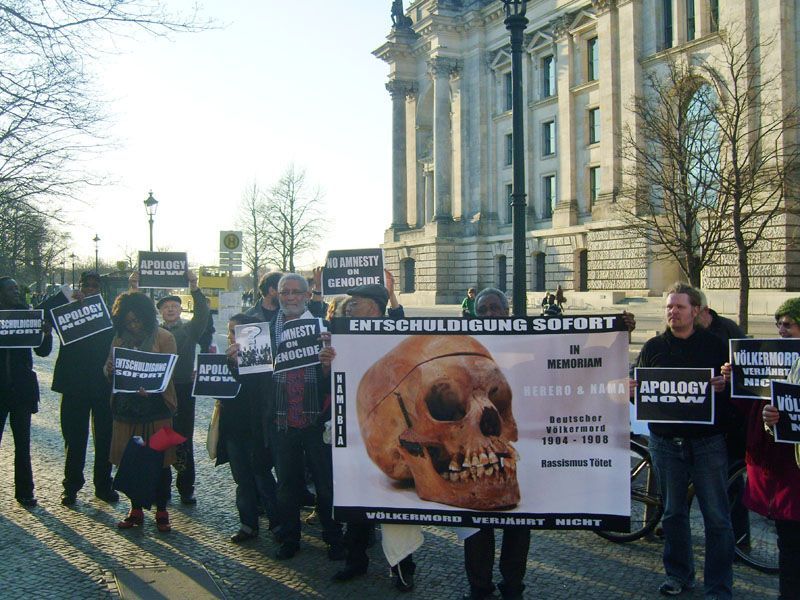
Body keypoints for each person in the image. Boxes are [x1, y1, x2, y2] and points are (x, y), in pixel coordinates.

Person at [634, 283, 732, 598]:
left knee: (716, 517)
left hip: (706, 443)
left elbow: (732, 396)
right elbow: (641, 394)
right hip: (665, 444)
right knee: (674, 513)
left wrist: (724, 385)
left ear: (695, 311)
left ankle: (718, 585)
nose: (673, 312)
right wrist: (633, 389)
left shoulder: (715, 346)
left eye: (680, 307)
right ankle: (679, 575)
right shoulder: (652, 347)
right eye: (669, 307)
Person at [239, 273, 343, 560]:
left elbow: (338, 380)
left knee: (325, 484)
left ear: (308, 295)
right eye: (286, 292)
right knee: (287, 485)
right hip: (281, 420)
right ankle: (290, 538)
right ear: (278, 295)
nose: (291, 297)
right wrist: (235, 360)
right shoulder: (263, 331)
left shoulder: (325, 330)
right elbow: (251, 381)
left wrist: (327, 366)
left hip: (316, 420)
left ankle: (333, 537)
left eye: (297, 292)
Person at [334, 282, 418, 592]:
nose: (350, 307)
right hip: (358, 430)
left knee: (397, 506)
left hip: (394, 429)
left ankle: (403, 567)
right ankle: (355, 561)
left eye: (356, 302)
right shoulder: (344, 334)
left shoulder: (395, 332)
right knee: (357, 498)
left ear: (373, 306)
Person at [722, 297, 800, 599]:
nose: (782, 329)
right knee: (790, 548)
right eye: (778, 323)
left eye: (789, 324)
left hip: (790, 469)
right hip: (779, 470)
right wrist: (734, 380)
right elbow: (751, 407)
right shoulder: (767, 359)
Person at [462, 287, 531, 600]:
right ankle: (479, 587)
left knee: (518, 524)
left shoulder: (528, 342)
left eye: (495, 308)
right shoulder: (464, 347)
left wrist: (618, 328)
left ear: (507, 311)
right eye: (483, 310)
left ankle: (513, 586)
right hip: (473, 449)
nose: (489, 314)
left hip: (515, 445)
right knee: (477, 526)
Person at [131, 270, 209, 504]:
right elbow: (133, 317)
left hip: (184, 388)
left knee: (183, 437)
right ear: (160, 312)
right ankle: (158, 485)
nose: (171, 309)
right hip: (159, 390)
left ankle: (186, 486)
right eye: (166, 307)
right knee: (158, 436)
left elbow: (203, 313)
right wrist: (135, 289)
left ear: (181, 309)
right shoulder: (152, 332)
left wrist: (194, 287)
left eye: (175, 305)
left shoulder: (190, 330)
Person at [106, 291, 177, 533]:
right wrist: (110, 369)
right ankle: (135, 510)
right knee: (131, 462)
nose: (133, 325)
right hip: (127, 412)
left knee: (161, 463)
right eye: (128, 321)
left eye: (137, 320)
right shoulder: (118, 338)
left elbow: (170, 373)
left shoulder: (165, 337)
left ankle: (162, 510)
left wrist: (155, 389)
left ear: (146, 317)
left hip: (158, 412)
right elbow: (108, 371)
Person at [52, 271, 118, 506]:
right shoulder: (66, 310)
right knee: (74, 439)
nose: (90, 289)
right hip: (74, 386)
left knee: (105, 438)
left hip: (101, 385)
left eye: (94, 286)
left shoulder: (108, 314)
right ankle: (71, 486)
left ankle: (103, 485)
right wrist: (68, 301)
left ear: (100, 290)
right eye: (86, 285)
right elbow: (43, 313)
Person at [218, 313, 278, 543]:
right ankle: (248, 524)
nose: (233, 336)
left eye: (238, 331)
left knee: (262, 477)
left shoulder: (262, 359)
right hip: (233, 428)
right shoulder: (224, 358)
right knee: (242, 480)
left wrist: (236, 365)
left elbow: (257, 388)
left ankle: (278, 525)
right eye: (230, 331)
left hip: (255, 427)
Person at [0, 277, 53, 507]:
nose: (15, 291)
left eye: (16, 288)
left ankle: (25, 491)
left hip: (21, 390)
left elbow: (41, 351)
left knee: (23, 444)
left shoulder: (26, 314)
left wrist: (46, 334)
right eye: (10, 289)